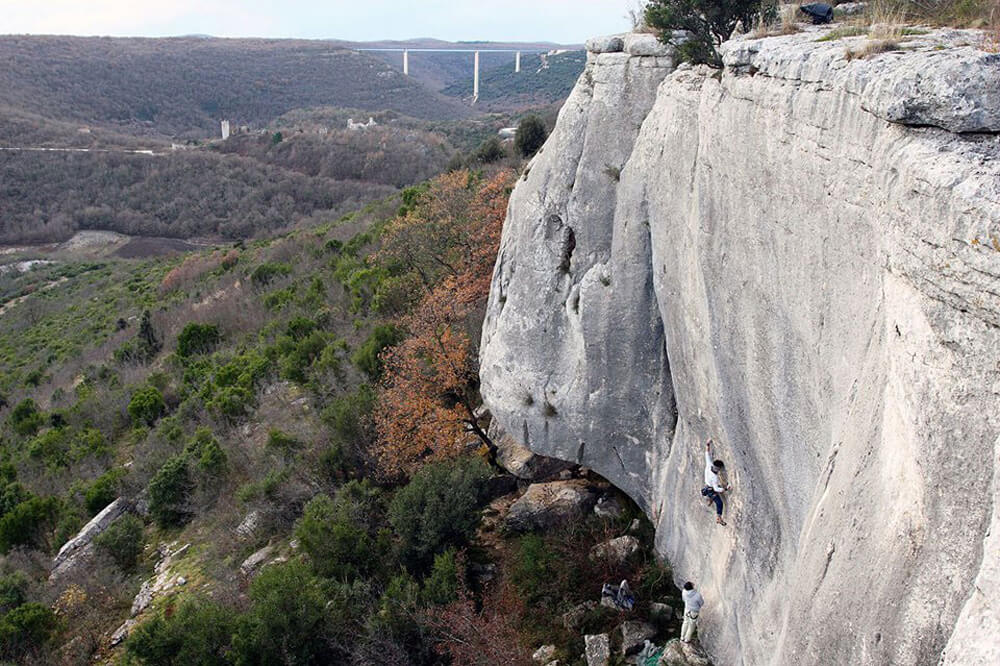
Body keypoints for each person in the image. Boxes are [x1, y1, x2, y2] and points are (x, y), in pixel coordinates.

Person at [702, 438, 731, 525]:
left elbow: (707, 453)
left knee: (712, 494)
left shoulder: (709, 465)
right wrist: (726, 488)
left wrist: (708, 443)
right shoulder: (714, 477)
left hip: (707, 486)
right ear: (718, 469)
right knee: (719, 503)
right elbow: (716, 489)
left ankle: (709, 499)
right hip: (711, 489)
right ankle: (719, 517)